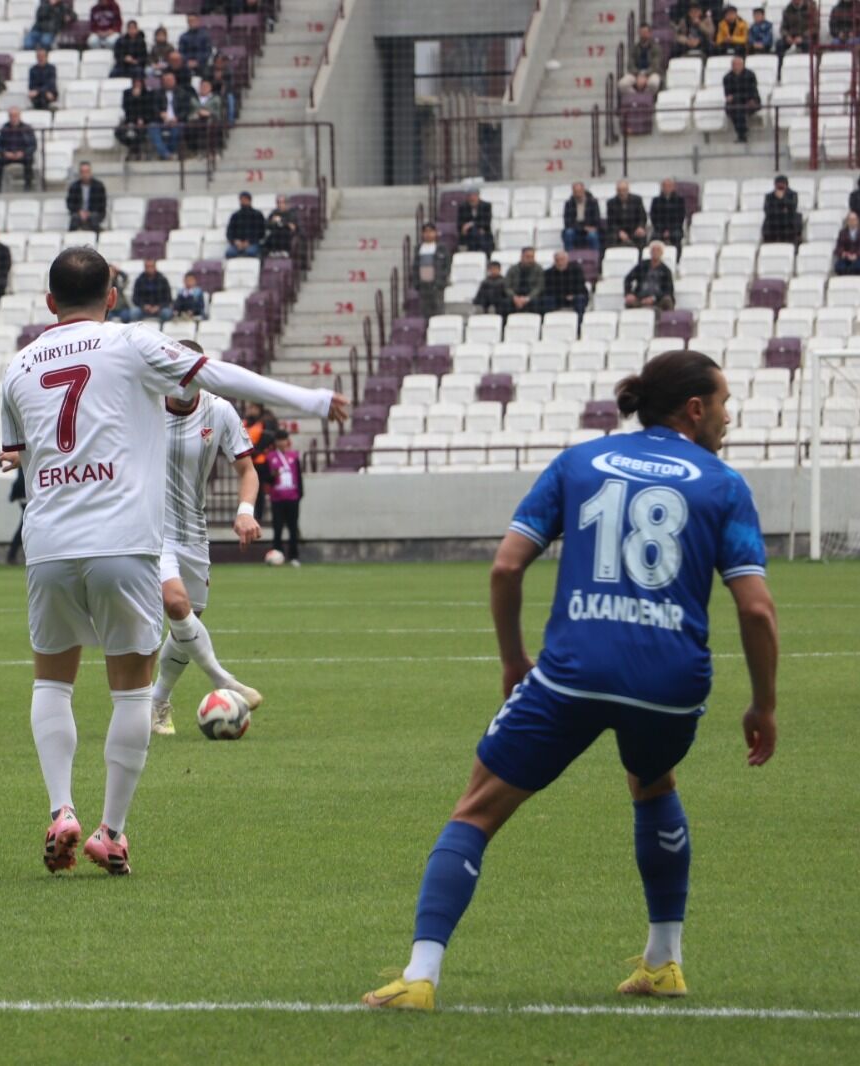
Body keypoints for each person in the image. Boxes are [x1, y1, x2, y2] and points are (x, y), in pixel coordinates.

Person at [360, 350, 778, 1013]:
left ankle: (420, 976)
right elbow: (755, 608)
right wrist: (763, 703)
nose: (729, 414)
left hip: (574, 673)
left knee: (476, 808)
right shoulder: (723, 483)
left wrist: (511, 660)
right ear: (695, 409)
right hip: (670, 683)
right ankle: (665, 962)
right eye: (725, 401)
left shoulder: (580, 462)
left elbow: (505, 568)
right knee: (653, 780)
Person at [0, 245, 344, 877]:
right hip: (124, 541)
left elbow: (19, 453)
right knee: (131, 690)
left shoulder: (18, 366)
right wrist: (313, 401)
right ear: (111, 295)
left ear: (48, 302)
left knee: (52, 681)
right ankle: (111, 832)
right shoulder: (130, 341)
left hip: (46, 542)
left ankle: (59, 811)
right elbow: (221, 376)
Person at [149, 340, 264, 736]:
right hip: (148, 528)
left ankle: (157, 700)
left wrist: (245, 512)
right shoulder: (140, 402)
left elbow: (247, 470)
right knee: (175, 602)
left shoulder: (219, 410)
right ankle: (223, 680)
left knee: (189, 622)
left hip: (193, 532)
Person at [265, 430, 304, 565]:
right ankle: (277, 554)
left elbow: (298, 476)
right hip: (277, 498)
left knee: (293, 528)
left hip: (292, 497)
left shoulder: (294, 456)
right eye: (279, 439)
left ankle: (294, 556)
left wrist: (300, 494)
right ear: (276, 442)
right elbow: (266, 478)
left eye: (284, 439)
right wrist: (272, 476)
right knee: (278, 528)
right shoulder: (270, 457)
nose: (282, 442)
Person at [151, 70, 195, 160]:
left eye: (170, 80)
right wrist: (160, 114)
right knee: (152, 127)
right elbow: (153, 108)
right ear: (163, 82)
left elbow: (186, 109)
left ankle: (168, 153)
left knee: (177, 129)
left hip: (177, 121)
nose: (169, 82)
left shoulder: (182, 93)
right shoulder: (157, 94)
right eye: (166, 80)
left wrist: (177, 118)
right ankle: (167, 154)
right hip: (162, 121)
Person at [0, 107, 37, 191]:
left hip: (23, 155)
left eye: (15, 116)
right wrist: (5, 153)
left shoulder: (27, 128)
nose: (13, 118)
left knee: (29, 160)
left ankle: (28, 187)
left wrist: (23, 153)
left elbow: (33, 146)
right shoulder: (4, 128)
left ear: (19, 116)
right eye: (11, 116)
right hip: (8, 155)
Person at [116, 78, 160, 159]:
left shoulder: (148, 93)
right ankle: (134, 148)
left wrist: (142, 119)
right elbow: (126, 108)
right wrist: (134, 98)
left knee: (141, 131)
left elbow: (149, 109)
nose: (137, 85)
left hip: (145, 121)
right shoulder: (127, 93)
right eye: (136, 83)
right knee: (119, 131)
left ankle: (134, 151)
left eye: (139, 83)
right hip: (130, 119)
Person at [414, 222, 450, 319]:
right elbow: (415, 266)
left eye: (431, 231)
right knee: (425, 311)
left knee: (438, 310)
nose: (428, 234)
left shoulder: (441, 248)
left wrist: (441, 281)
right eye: (426, 232)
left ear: (435, 233)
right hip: (423, 284)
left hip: (436, 284)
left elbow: (446, 266)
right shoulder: (419, 248)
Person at [624, 241, 676, 310]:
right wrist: (628, 293)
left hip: (658, 299)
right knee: (629, 301)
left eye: (658, 250)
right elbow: (628, 279)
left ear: (662, 253)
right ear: (650, 252)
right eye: (653, 250)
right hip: (640, 297)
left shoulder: (666, 270)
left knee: (667, 300)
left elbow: (669, 290)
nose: (655, 252)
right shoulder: (642, 266)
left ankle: (666, 320)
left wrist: (654, 298)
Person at [539, 250, 589, 317]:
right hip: (557, 298)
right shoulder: (548, 273)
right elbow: (548, 290)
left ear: (567, 260)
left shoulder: (576, 271)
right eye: (557, 260)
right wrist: (563, 297)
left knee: (580, 299)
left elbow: (580, 286)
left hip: (574, 297)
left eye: (562, 260)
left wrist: (572, 296)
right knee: (547, 300)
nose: (560, 262)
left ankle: (579, 324)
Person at [723, 55, 760, 143]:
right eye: (735, 64)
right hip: (737, 103)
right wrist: (737, 97)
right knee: (734, 108)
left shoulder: (750, 75)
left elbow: (751, 91)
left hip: (751, 100)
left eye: (739, 64)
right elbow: (728, 95)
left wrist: (736, 96)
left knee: (739, 108)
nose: (737, 66)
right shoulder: (727, 77)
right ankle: (742, 133)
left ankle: (741, 135)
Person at [619, 23, 665, 92]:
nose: (643, 34)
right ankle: (635, 97)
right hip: (636, 73)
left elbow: (656, 66)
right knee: (622, 84)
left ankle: (646, 98)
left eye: (645, 32)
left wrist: (645, 74)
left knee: (653, 83)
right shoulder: (634, 48)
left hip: (652, 73)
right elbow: (630, 65)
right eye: (641, 32)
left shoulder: (656, 48)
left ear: (649, 33)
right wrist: (638, 74)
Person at [761, 174, 803, 242]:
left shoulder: (793, 195)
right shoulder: (769, 196)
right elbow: (767, 210)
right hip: (773, 224)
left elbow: (792, 209)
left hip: (788, 224)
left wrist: (781, 198)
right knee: (768, 224)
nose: (780, 187)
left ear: (786, 184)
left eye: (782, 184)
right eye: (778, 184)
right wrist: (783, 209)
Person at [607, 180, 649, 248]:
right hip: (620, 230)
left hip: (634, 228)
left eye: (624, 190)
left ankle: (640, 257)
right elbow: (611, 222)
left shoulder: (637, 200)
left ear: (628, 189)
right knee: (611, 237)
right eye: (619, 190)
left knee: (641, 235)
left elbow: (642, 217)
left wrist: (640, 227)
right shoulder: (611, 203)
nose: (621, 192)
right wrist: (619, 232)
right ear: (616, 191)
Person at [67, 162, 107, 232]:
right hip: (79, 213)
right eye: (83, 172)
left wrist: (89, 213)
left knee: (94, 217)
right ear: (80, 173)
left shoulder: (98, 186)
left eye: (87, 171)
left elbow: (101, 204)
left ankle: (98, 238)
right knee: (74, 218)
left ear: (90, 172)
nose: (85, 174)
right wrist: (79, 211)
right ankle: (70, 240)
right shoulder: (74, 186)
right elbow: (70, 204)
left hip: (94, 212)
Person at [224, 192, 267, 258]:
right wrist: (236, 241)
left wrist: (249, 242)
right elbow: (229, 232)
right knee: (229, 253)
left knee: (250, 252)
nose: (243, 202)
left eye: (245, 200)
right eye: (241, 200)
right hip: (237, 244)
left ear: (249, 201)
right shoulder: (235, 215)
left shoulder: (257, 215)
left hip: (252, 243)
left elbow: (261, 233)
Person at [563, 181, 602, 252]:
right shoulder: (569, 204)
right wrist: (583, 228)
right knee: (568, 233)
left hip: (589, 230)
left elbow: (596, 219)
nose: (578, 194)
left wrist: (590, 228)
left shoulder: (593, 202)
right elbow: (568, 223)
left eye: (579, 191)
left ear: (583, 190)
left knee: (593, 235)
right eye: (575, 192)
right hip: (575, 230)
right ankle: (569, 257)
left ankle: (596, 258)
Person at [505, 246, 544, 315]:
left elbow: (539, 287)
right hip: (515, 295)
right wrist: (514, 297)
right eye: (528, 257)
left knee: (538, 302)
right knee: (505, 303)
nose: (530, 259)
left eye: (532, 257)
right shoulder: (513, 269)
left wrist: (527, 298)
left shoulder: (538, 269)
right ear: (522, 257)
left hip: (531, 296)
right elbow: (507, 287)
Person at [651, 178, 688, 248]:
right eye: (665, 186)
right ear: (662, 187)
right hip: (659, 229)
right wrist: (663, 230)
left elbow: (680, 218)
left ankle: (677, 256)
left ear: (673, 187)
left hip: (675, 228)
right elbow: (654, 218)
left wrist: (669, 231)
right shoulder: (656, 200)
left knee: (676, 236)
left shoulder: (680, 200)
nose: (667, 188)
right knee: (655, 238)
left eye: (669, 186)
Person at [833, 211, 860, 275]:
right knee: (838, 267)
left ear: (857, 220)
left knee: (857, 267)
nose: (852, 221)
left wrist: (856, 255)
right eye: (850, 220)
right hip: (846, 257)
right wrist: (844, 253)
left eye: (854, 219)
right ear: (847, 221)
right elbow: (838, 247)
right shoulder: (842, 232)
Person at [457, 189, 494, 254]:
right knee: (471, 234)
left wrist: (471, 224)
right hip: (468, 234)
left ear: (478, 196)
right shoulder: (463, 207)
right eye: (470, 197)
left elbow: (486, 222)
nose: (472, 199)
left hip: (483, 233)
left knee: (479, 235)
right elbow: (460, 224)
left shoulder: (486, 206)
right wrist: (464, 229)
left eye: (474, 196)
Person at [7, 470, 27, 565]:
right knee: (23, 528)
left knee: (22, 528)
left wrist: (13, 495)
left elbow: (19, 481)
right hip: (28, 499)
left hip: (24, 499)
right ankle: (11, 555)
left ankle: (11, 555)